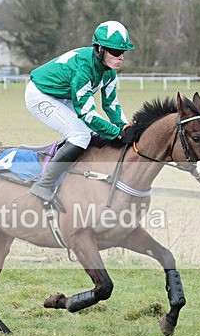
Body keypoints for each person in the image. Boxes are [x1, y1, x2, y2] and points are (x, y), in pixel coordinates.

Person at [25, 20, 135, 206]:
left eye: (123, 52)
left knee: (91, 134)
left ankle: (75, 177)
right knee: (80, 135)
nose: (121, 57)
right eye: (116, 52)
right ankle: (44, 184)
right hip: (40, 94)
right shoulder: (84, 68)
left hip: (64, 95)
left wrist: (125, 126)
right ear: (99, 49)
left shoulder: (109, 72)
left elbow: (111, 105)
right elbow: (87, 113)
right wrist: (117, 133)